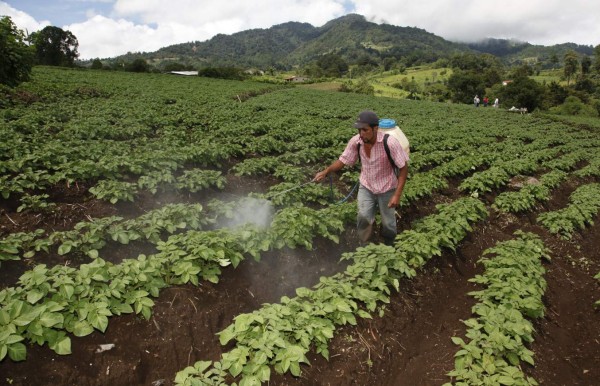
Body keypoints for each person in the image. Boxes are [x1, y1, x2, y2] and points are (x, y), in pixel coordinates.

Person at [314, 110, 409, 245]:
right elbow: (343, 160)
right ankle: (365, 246)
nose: (361, 134)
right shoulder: (357, 142)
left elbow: (403, 168)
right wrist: (326, 171)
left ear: (375, 128)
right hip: (366, 186)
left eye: (365, 130)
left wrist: (397, 195)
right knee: (363, 216)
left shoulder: (390, 143)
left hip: (387, 188)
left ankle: (389, 245)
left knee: (388, 222)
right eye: (359, 130)